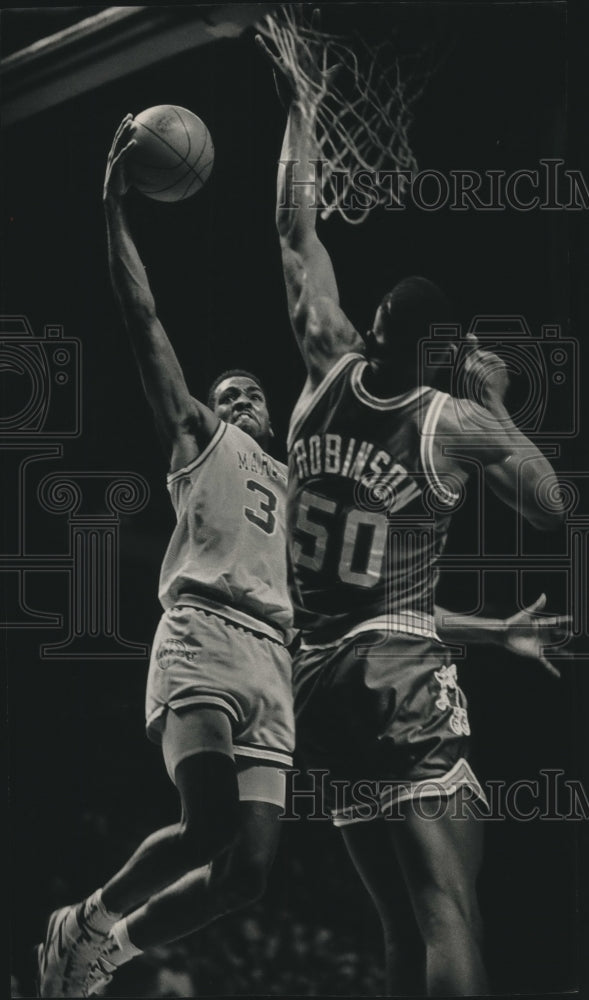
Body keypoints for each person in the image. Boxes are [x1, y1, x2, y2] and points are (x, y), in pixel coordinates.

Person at [258, 24, 567, 997]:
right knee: (449, 913)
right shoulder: (451, 420)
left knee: (395, 924)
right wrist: (498, 403)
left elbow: (291, 232)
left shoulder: (324, 364)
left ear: (374, 330)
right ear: (441, 352)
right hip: (395, 671)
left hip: (312, 680)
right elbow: (551, 506)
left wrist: (304, 97)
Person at [35, 115, 296, 998]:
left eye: (251, 390)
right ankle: (90, 916)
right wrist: (114, 211)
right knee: (208, 823)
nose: (240, 395)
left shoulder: (297, 482)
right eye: (229, 391)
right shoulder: (196, 433)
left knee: (250, 871)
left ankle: (116, 950)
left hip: (275, 656)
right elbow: (140, 314)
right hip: (205, 634)